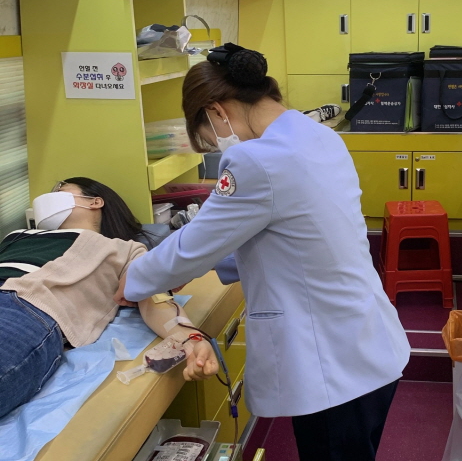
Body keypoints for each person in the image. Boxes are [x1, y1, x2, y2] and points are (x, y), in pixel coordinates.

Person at [113, 44, 411, 461]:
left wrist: (138, 279)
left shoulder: (255, 160)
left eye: (208, 138)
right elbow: (295, 234)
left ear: (217, 112)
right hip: (367, 340)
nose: (218, 145)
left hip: (332, 365)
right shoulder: (316, 135)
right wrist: (197, 265)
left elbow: (194, 244)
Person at [0, 178, 219, 419]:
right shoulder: (18, 234)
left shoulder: (125, 249)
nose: (51, 194)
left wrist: (191, 338)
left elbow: (155, 300)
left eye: (61, 188)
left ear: (95, 201)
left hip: (27, 308)